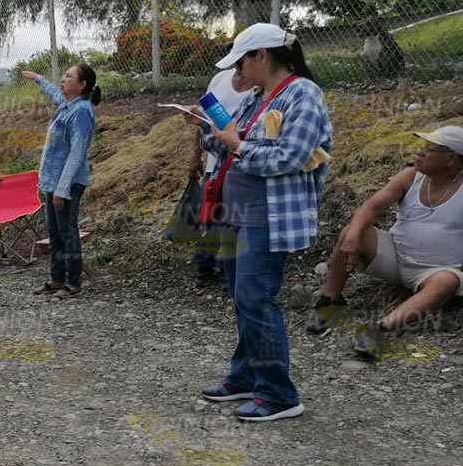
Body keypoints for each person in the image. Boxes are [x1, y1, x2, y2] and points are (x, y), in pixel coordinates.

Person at [187, 23, 333, 422]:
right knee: (242, 298)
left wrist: (236, 145)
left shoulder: (303, 94)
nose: (237, 72)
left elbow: (290, 156)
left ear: (262, 56)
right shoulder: (257, 96)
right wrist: (209, 130)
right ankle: (247, 375)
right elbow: (233, 139)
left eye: (241, 61)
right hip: (237, 213)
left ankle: (279, 394)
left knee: (256, 299)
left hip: (267, 217)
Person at [308, 125, 463, 360]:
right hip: (394, 255)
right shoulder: (410, 176)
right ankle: (331, 301)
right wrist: (351, 237)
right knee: (354, 231)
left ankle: (382, 330)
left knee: (447, 281)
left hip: (434, 270)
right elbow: (372, 206)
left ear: (451, 158)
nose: (419, 152)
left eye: (428, 149)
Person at [21, 64, 101, 299]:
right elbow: (55, 94)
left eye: (69, 76)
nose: (63, 79)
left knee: (68, 233)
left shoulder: (82, 112)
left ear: (82, 85)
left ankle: (73, 282)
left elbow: (77, 153)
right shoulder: (68, 105)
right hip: (52, 181)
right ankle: (57, 279)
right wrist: (38, 78)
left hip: (66, 184)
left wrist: (62, 190)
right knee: (55, 233)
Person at [189, 68, 253, 287]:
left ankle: (230, 274)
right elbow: (203, 122)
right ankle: (205, 269)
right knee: (210, 219)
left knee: (232, 222)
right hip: (215, 167)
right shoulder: (220, 79)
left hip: (240, 167)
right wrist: (195, 157)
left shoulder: (259, 87)